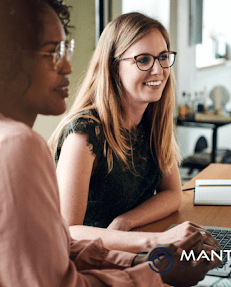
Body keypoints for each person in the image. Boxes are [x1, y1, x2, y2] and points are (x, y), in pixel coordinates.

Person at [0, 1, 220, 287]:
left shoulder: (153, 119)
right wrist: (154, 259)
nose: (67, 65)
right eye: (53, 52)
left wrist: (139, 253)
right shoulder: (30, 142)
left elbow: (59, 248)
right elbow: (64, 251)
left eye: (164, 56)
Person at [48, 11, 219, 253]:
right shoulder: (83, 134)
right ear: (113, 66)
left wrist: (125, 221)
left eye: (162, 57)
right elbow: (69, 231)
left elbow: (172, 194)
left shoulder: (153, 118)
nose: (158, 70)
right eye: (143, 60)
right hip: (88, 262)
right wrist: (157, 240)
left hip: (128, 249)